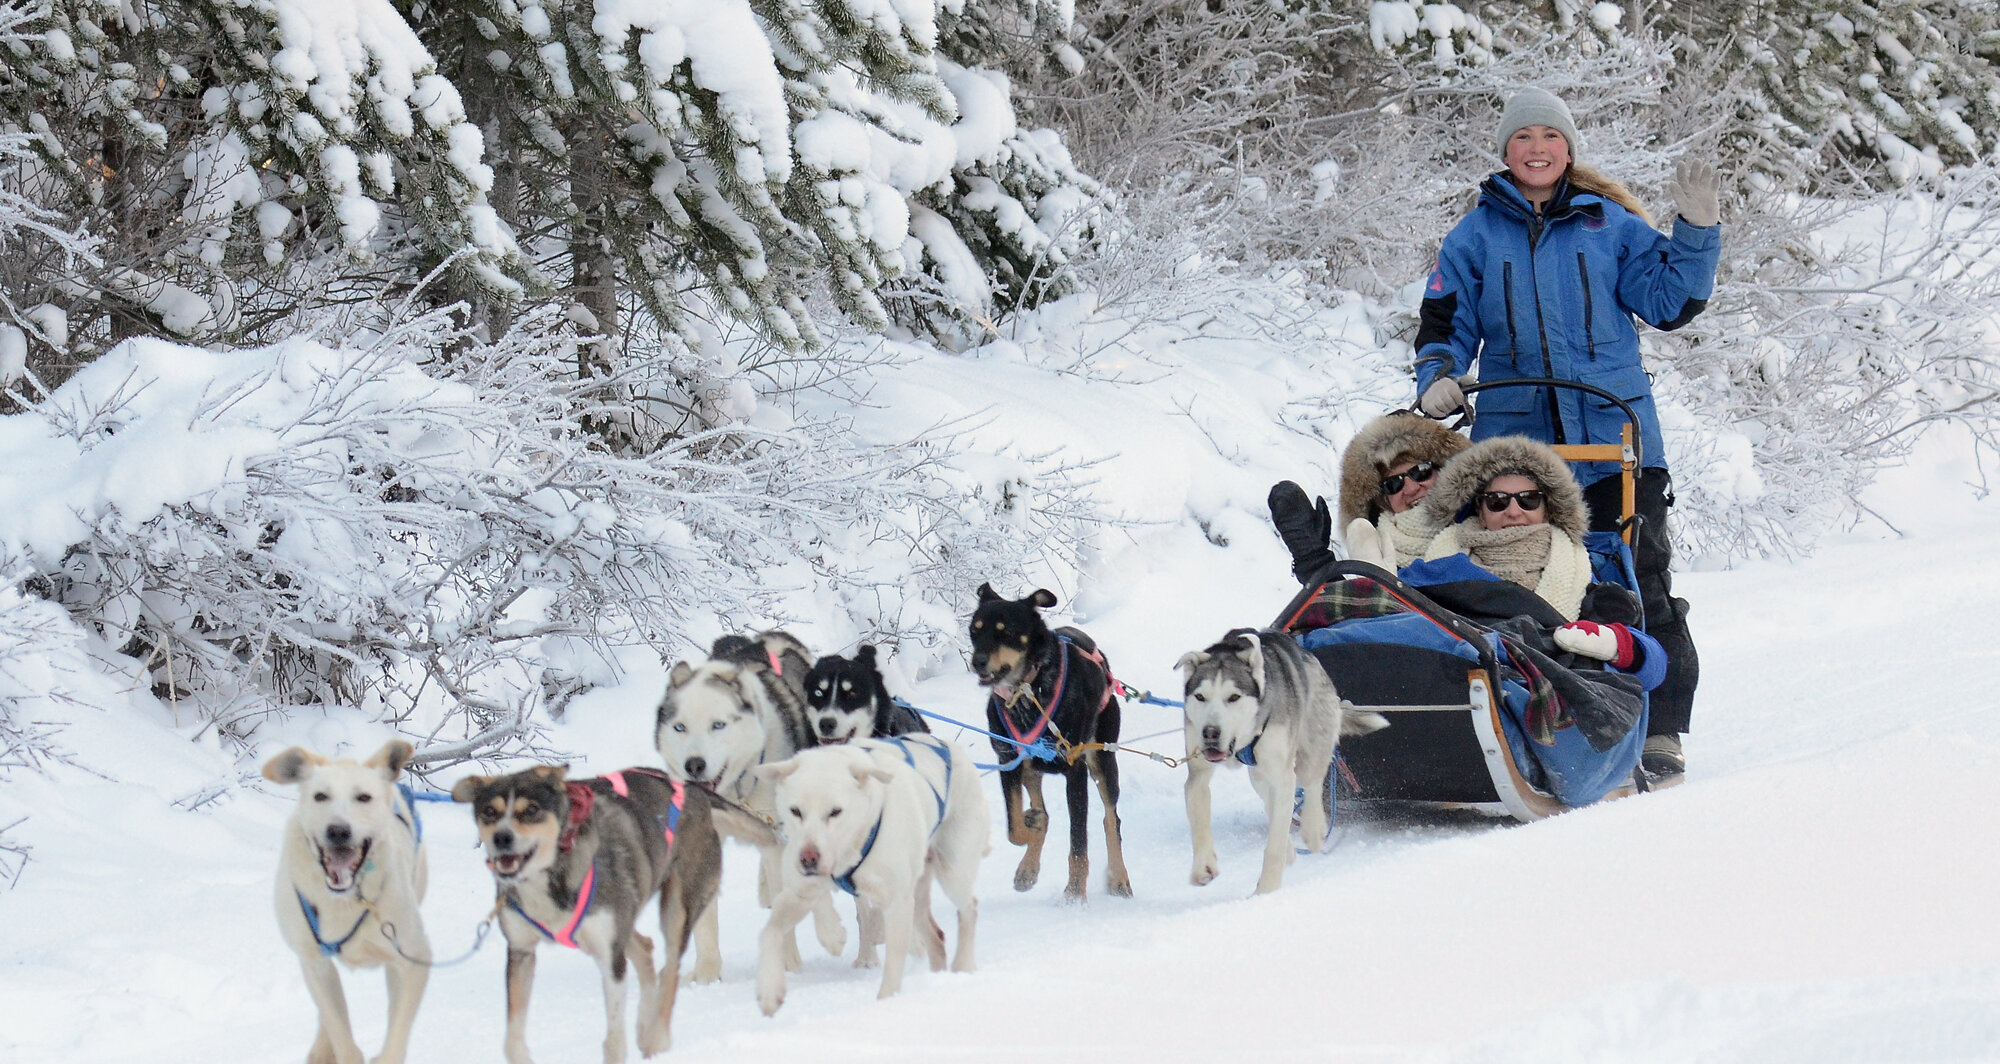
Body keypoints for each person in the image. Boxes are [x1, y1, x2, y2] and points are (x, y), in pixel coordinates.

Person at [1409, 86, 1718, 781]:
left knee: (1638, 581)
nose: (1537, 148)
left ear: (1569, 148)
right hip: (1520, 453)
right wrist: (1439, 374)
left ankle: (1658, 726)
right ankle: (1525, 713)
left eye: (1550, 136)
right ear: (1505, 152)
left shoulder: (1611, 226)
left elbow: (1670, 303)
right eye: (1523, 138)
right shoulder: (1474, 236)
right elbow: (1444, 322)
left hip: (1616, 443)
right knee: (1517, 581)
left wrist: (1696, 234)